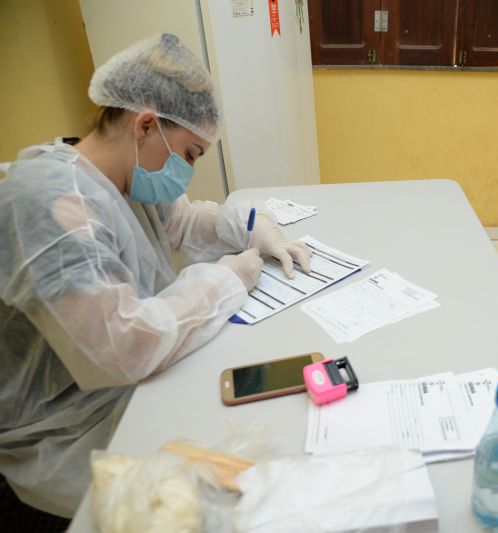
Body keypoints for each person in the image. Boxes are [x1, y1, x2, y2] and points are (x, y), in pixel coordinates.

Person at [0, 33, 312, 520]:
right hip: (62, 431)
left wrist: (251, 226)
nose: (187, 172)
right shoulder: (50, 205)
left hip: (125, 391)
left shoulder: (120, 176)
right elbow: (123, 346)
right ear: (146, 125)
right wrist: (229, 280)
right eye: (189, 154)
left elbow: (183, 222)